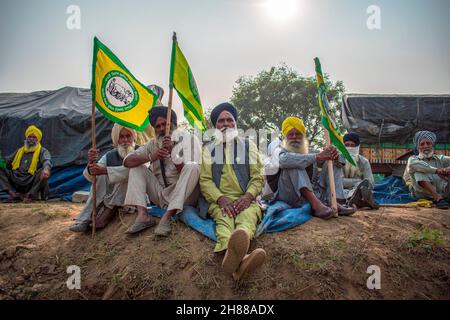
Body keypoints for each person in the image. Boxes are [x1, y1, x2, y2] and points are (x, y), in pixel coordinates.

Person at [200, 102, 266, 281]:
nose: (226, 124)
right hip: (220, 201)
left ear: (236, 124)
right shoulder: (208, 149)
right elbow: (205, 181)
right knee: (224, 220)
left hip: (246, 199)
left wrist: (248, 197)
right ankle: (241, 260)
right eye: (221, 121)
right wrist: (220, 199)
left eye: (230, 120)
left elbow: (258, 176)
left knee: (248, 217)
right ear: (215, 127)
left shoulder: (248, 145)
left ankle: (236, 258)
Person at [123, 106, 201, 236]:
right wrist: (150, 157)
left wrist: (173, 153)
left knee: (193, 166)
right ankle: (143, 215)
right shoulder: (152, 144)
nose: (161, 129)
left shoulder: (189, 139)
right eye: (157, 126)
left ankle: (167, 217)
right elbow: (127, 161)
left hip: (185, 196)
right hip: (162, 196)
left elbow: (190, 172)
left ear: (174, 124)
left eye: (165, 124)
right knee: (136, 167)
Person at [265, 117, 356, 219]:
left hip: (314, 192)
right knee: (294, 162)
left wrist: (333, 154)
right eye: (290, 134)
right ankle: (316, 206)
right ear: (285, 137)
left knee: (330, 160)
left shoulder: (309, 151)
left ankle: (335, 202)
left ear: (303, 136)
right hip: (287, 195)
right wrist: (317, 157)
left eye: (298, 134)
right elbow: (283, 160)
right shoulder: (278, 151)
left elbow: (341, 162)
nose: (294, 137)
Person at [69, 124, 138, 232]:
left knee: (130, 174)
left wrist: (105, 170)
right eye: (121, 137)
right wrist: (92, 164)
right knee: (99, 176)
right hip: (112, 194)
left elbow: (131, 172)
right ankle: (86, 218)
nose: (125, 140)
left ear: (133, 137)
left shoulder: (140, 152)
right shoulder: (110, 155)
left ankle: (108, 212)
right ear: (116, 139)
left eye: (128, 136)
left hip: (135, 196)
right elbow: (91, 175)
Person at [0, 125, 52, 202]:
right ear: (26, 138)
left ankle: (30, 195)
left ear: (38, 139)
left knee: (43, 172)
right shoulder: (20, 151)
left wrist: (46, 169)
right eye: (29, 137)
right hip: (16, 178)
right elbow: (6, 162)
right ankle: (12, 194)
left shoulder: (42, 151)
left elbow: (47, 161)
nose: (31, 139)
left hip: (31, 180)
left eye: (34, 137)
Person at [404, 131, 450, 209]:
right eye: (422, 144)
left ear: (432, 145)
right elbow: (412, 165)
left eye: (428, 143)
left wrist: (448, 170)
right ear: (418, 147)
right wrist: (437, 171)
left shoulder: (441, 159)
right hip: (422, 194)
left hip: (444, 192)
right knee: (418, 171)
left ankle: (442, 197)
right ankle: (437, 198)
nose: (426, 146)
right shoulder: (413, 159)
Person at [342, 132, 378, 209]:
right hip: (341, 190)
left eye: (352, 145)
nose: (350, 148)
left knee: (362, 189)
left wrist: (360, 185)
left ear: (357, 147)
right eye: (347, 145)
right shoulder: (338, 160)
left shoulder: (364, 161)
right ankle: (356, 200)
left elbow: (370, 182)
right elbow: (338, 181)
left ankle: (354, 199)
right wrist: (358, 182)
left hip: (357, 190)